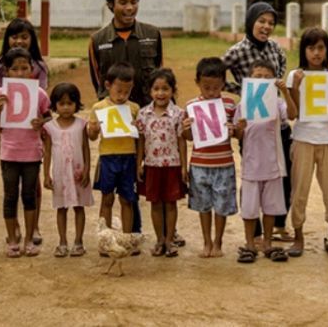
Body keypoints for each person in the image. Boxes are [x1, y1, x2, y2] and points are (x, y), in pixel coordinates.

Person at [88, 0, 164, 239]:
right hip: (117, 127)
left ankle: (164, 232)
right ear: (111, 5)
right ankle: (126, 233)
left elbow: (158, 78)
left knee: (153, 173)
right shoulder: (98, 40)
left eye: (134, 2)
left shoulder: (152, 35)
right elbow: (99, 83)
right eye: (123, 3)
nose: (129, 8)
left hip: (148, 120)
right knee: (120, 182)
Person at [223, 2, 292, 240]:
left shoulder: (276, 49)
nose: (266, 26)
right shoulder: (237, 51)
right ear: (251, 21)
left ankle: (279, 226)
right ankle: (256, 231)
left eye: (271, 23)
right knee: (253, 173)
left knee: (282, 172)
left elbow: (280, 73)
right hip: (251, 123)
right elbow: (217, 73)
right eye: (261, 21)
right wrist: (241, 89)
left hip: (275, 120)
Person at [0, 17, 49, 247]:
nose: (19, 40)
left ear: (32, 39)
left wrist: (40, 124)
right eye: (14, 36)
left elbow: (41, 101)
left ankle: (33, 229)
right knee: (10, 190)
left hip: (31, 134)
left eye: (25, 36)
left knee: (32, 188)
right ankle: (13, 230)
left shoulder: (40, 67)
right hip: (8, 134)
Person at [286, 28, 328, 257]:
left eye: (321, 48)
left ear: (327, 50)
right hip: (303, 138)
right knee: (299, 190)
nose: (316, 53)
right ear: (304, 51)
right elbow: (296, 112)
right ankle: (298, 237)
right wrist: (296, 87)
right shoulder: (295, 75)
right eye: (311, 48)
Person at [234, 59, 298, 263]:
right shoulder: (243, 104)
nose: (262, 80)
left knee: (271, 207)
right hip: (251, 165)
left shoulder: (277, 103)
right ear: (250, 79)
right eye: (257, 77)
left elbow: (293, 114)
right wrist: (240, 127)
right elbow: (237, 135)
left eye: (267, 77)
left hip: (273, 164)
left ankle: (268, 242)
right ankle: (250, 243)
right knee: (250, 208)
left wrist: (286, 93)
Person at [182, 57, 238, 258]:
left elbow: (238, 133)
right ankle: (206, 241)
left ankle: (218, 242)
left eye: (216, 87)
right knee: (203, 206)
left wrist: (234, 130)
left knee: (221, 206)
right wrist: (186, 129)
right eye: (207, 87)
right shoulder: (191, 107)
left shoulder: (230, 105)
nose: (212, 92)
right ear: (197, 82)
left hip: (223, 163)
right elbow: (188, 138)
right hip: (200, 164)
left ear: (223, 83)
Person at [135, 69, 187, 258]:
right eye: (156, 89)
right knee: (155, 204)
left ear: (173, 91)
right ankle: (159, 240)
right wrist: (139, 163)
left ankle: (169, 240)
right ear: (150, 91)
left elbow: (182, 140)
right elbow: (141, 140)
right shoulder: (143, 114)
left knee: (171, 204)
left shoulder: (178, 114)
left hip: (172, 165)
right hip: (152, 165)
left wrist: (184, 166)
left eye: (165, 88)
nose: (160, 93)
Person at [88, 62, 140, 241]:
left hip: (128, 158)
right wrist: (93, 128)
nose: (122, 96)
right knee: (107, 198)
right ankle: (106, 238)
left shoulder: (134, 108)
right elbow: (92, 137)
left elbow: (139, 137)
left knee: (127, 199)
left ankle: (127, 238)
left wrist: (138, 129)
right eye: (119, 91)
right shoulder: (98, 108)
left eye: (127, 92)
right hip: (107, 158)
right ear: (108, 85)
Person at [42, 83, 94, 258]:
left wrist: (87, 170)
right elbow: (47, 151)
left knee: (79, 207)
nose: (65, 108)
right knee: (61, 208)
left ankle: (78, 242)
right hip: (60, 174)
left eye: (70, 103)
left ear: (76, 104)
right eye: (61, 103)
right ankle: (62, 242)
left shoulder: (81, 125)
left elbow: (86, 148)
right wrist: (46, 175)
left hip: (78, 173)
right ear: (54, 105)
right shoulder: (50, 127)